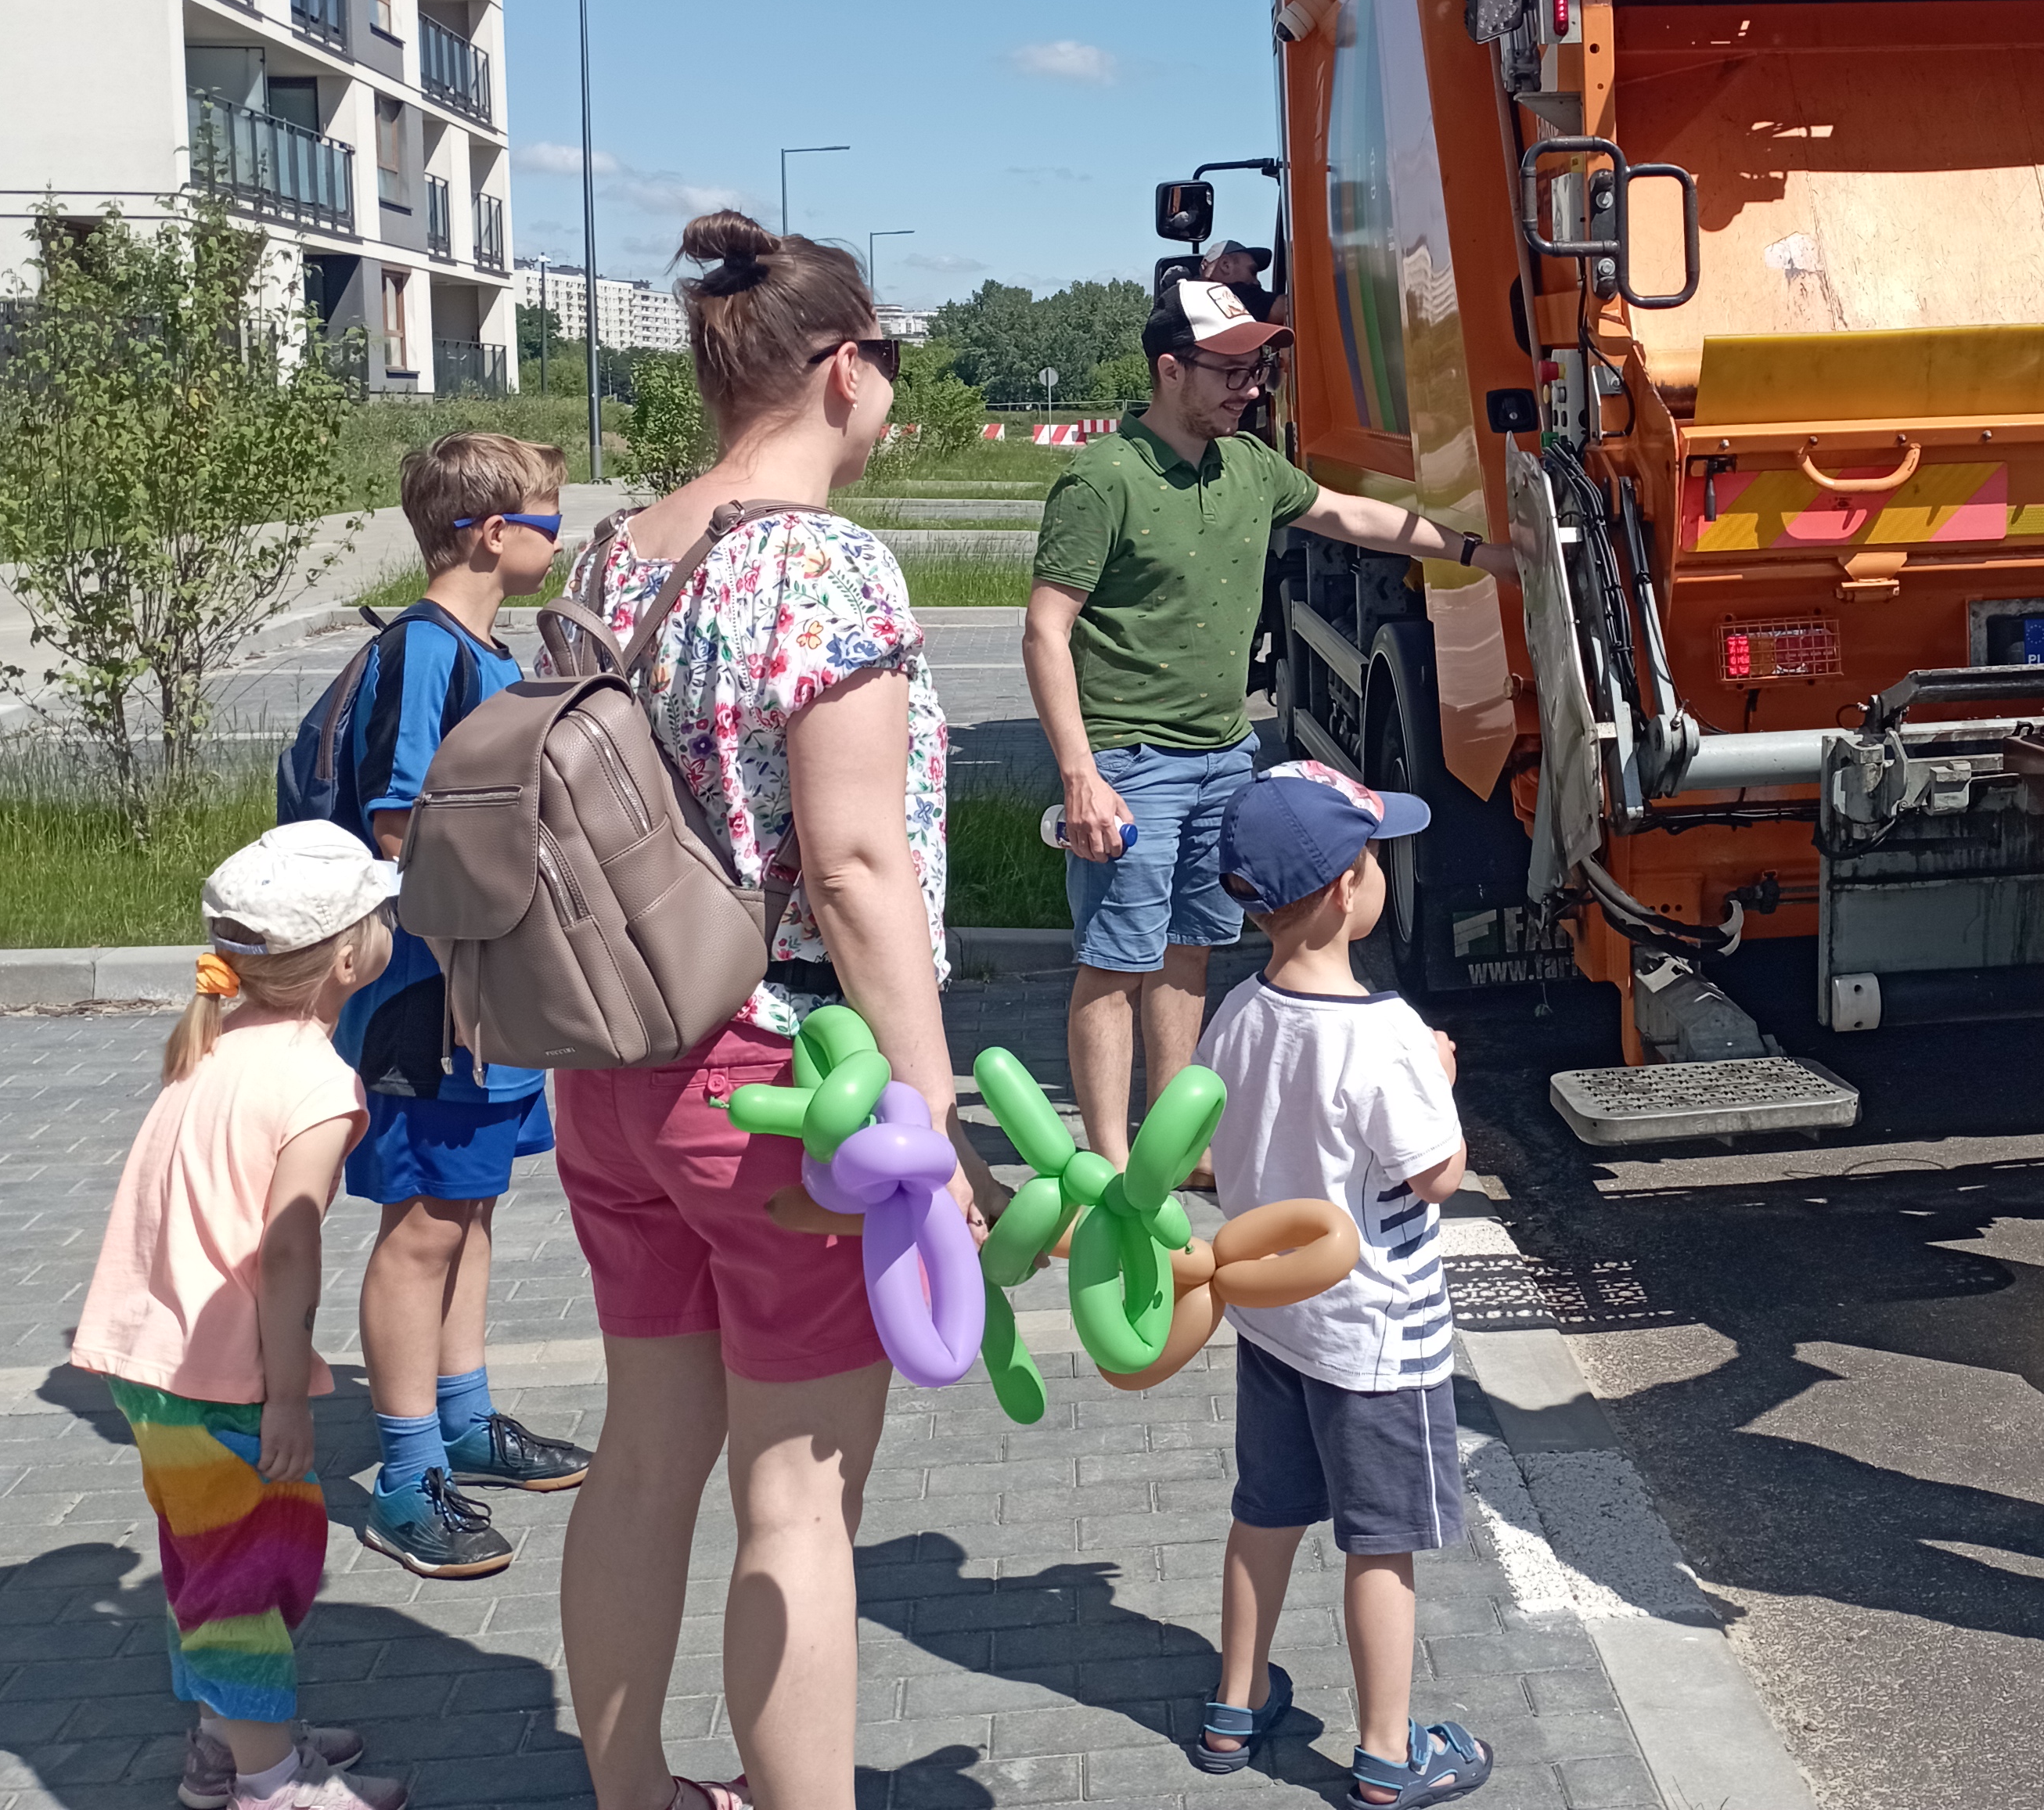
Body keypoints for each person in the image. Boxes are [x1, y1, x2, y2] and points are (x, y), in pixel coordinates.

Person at [549, 212, 992, 1810]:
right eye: (890, 366)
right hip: (779, 1089)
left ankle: (633, 1792)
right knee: (799, 1504)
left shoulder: (622, 551)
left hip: (611, 1067)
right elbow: (858, 862)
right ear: (844, 370)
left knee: (643, 1458)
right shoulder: (819, 565)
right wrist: (933, 1108)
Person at [1023, 277, 1519, 1169]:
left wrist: (1479, 554)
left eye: (1258, 367)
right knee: (1115, 963)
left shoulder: (1249, 466)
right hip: (1129, 762)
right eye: (1230, 370)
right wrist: (1080, 774)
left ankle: (1173, 1150)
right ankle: (1104, 1165)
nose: (1251, 386)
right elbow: (1045, 630)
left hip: (1222, 755)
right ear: (1170, 369)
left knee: (1192, 952)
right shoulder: (1102, 481)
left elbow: (1352, 516)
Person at [70, 823, 405, 1810]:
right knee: (248, 1582)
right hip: (225, 1373)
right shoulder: (314, 1082)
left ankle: (230, 1744)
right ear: (350, 957)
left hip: (156, 1362)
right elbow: (288, 1248)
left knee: (214, 1557)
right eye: (379, 913)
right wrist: (289, 1392)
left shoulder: (211, 1047)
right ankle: (268, 1783)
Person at [1187, 763, 1492, 1807]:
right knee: (1382, 1542)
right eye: (1372, 860)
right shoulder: (1389, 1035)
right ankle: (1386, 1754)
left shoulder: (1237, 1013)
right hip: (1374, 1339)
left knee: (1263, 1510)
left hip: (1273, 1321)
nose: (1380, 876)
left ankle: (1234, 1704)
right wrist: (1442, 1083)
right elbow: (1436, 1175)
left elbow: (1214, 1151)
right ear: (1339, 894)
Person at [330, 434, 590, 1579]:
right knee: (422, 1224)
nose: (558, 536)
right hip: (432, 993)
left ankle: (467, 1417)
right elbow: (401, 830)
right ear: (490, 533)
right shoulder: (424, 654)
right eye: (546, 517)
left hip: (492, 992)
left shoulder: (487, 649)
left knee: (472, 1212)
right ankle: (403, 1473)